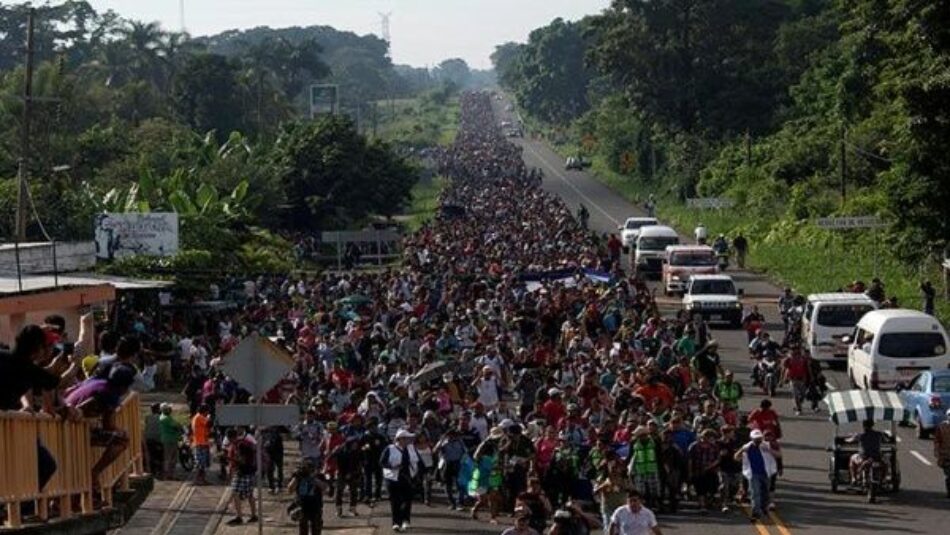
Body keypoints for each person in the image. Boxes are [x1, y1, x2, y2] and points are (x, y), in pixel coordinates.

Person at [64, 365, 136, 487]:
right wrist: (121, 431)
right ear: (124, 386)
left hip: (65, 424)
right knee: (122, 440)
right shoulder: (110, 393)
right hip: (71, 428)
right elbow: (109, 425)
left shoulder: (97, 382)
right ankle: (94, 472)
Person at [382, 429, 421, 532]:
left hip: (407, 477)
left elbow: (418, 461)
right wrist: (392, 466)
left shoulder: (411, 448)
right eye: (406, 438)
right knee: (395, 501)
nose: (409, 440)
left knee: (407, 500)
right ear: (400, 439)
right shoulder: (390, 449)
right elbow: (382, 462)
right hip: (392, 478)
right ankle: (396, 522)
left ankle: (405, 520)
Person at [735, 429, 778, 520]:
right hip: (753, 474)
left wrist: (769, 450)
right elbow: (736, 458)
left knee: (765, 493)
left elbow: (778, 455)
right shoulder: (747, 447)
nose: (758, 441)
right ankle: (756, 512)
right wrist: (742, 450)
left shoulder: (766, 446)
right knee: (755, 493)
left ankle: (763, 508)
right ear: (751, 439)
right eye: (756, 439)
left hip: (766, 473)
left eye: (759, 438)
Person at [225, 428, 259, 526]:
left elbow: (243, 461)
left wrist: (229, 458)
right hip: (243, 472)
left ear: (231, 438)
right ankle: (245, 516)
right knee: (242, 493)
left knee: (242, 494)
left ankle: (245, 516)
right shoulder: (239, 444)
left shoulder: (241, 445)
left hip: (246, 472)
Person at [288, 458, 328, 535]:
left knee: (316, 529)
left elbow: (325, 487)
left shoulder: (319, 476)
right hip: (302, 505)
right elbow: (290, 489)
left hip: (315, 506)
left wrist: (313, 478)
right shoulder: (298, 475)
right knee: (303, 530)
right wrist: (297, 478)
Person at [847, 420, 885, 485]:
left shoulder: (860, 435)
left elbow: (850, 441)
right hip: (876, 457)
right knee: (886, 463)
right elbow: (885, 439)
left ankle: (854, 478)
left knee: (852, 458)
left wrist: (848, 439)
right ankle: (883, 479)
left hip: (863, 458)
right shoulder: (878, 434)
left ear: (863, 426)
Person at [158, 403, 182, 480]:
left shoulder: (163, 417)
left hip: (168, 439)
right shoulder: (166, 418)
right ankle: (169, 475)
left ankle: (169, 474)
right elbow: (176, 426)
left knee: (169, 458)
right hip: (170, 440)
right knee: (171, 458)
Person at [191, 404, 213, 485]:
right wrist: (209, 417)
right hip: (200, 443)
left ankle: (202, 480)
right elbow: (209, 423)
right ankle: (197, 480)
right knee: (200, 463)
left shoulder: (197, 417)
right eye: (207, 411)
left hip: (202, 442)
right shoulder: (199, 417)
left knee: (202, 464)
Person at [934, 408, 950, 498]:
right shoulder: (941, 427)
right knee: (948, 475)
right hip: (946, 456)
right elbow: (937, 441)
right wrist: (937, 453)